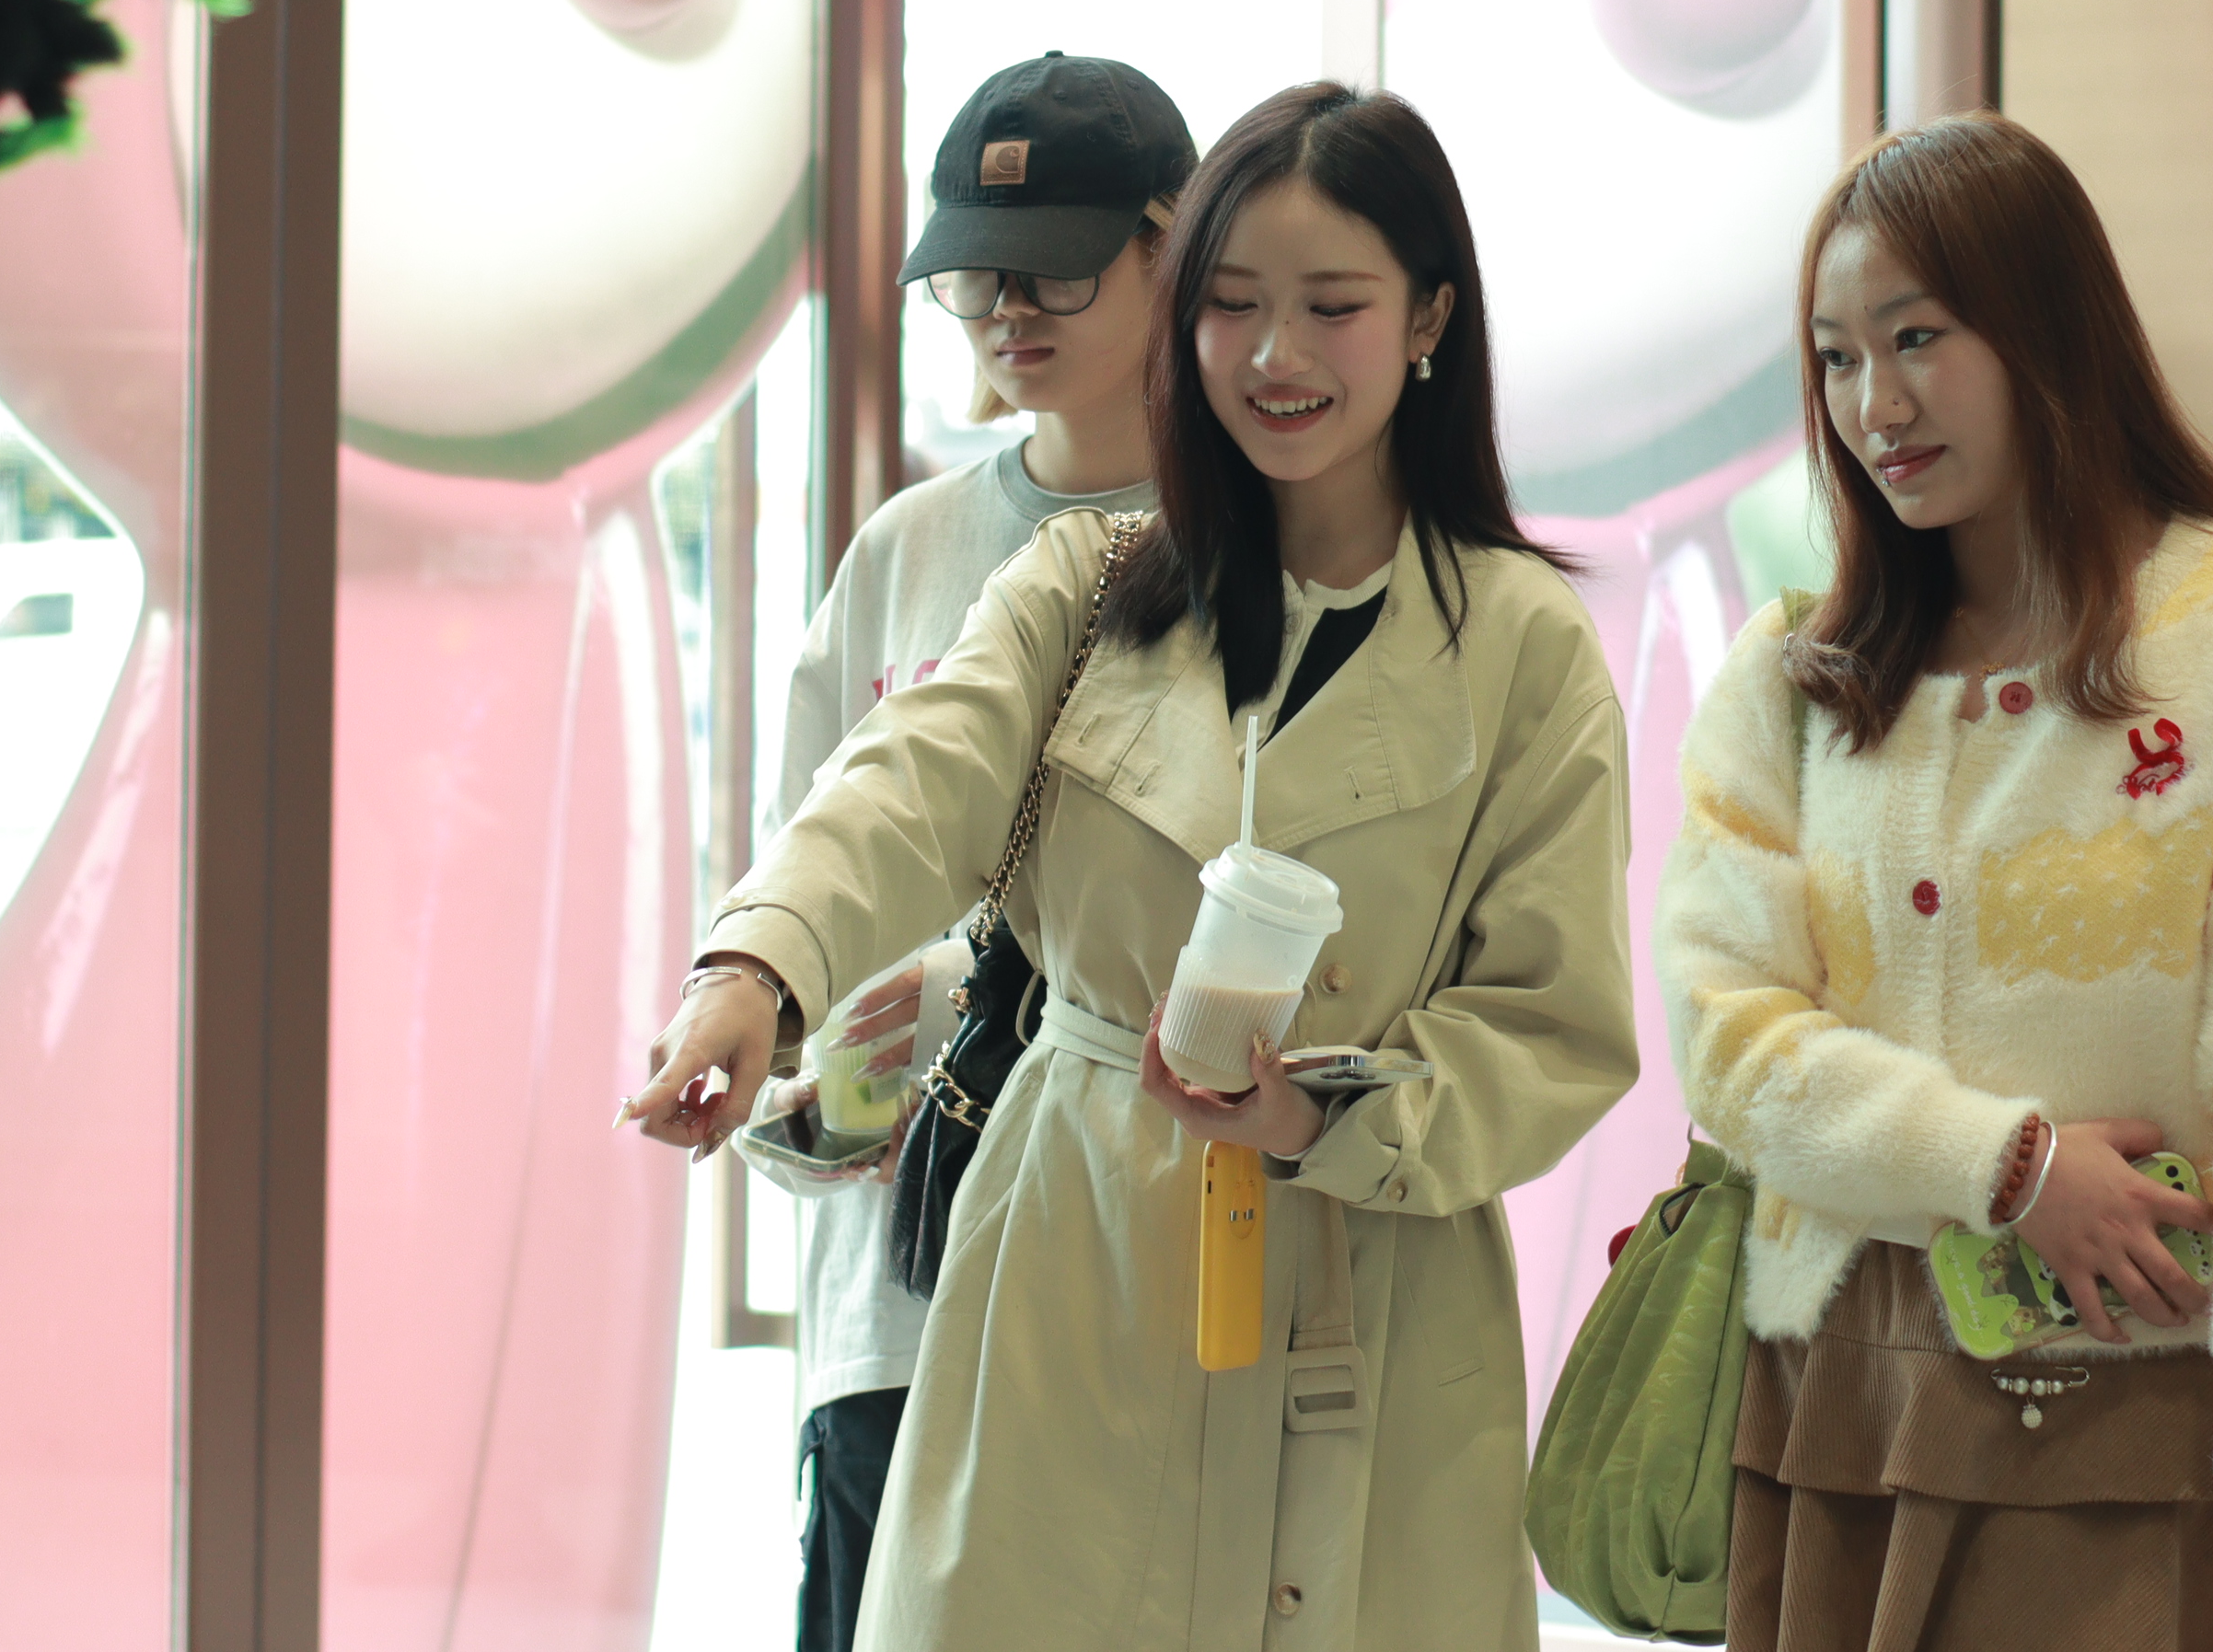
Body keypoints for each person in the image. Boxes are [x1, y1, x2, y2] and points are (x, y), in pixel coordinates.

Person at [624, 83, 1638, 1651]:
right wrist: (756, 967)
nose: (1275, 354)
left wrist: (1324, 1113)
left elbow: (1554, 1020)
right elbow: (908, 781)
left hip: (1372, 1272)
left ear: (1430, 316)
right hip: (1077, 1242)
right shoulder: (1086, 585)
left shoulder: (1522, 645)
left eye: (1332, 306)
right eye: (1231, 304)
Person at [1656, 113, 2213, 1652]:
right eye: (1835, 358)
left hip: (2151, 1413)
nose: (1875, 403)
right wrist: (2005, 1167)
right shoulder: (1792, 677)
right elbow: (1726, 1036)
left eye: (1916, 337)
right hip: (1842, 1401)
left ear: (2047, 329)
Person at [747, 52, 1192, 1652]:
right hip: (890, 1300)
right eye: (973, 275)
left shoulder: (1248, 553)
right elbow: (801, 865)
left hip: (1129, 1295)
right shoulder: (907, 547)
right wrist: (810, 1084)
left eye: (1055, 268)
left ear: (1172, 246)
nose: (1007, 309)